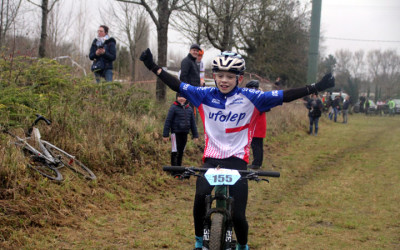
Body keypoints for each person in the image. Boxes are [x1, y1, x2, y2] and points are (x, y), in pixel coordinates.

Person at [139, 48, 335, 250]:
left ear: (239, 78)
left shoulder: (253, 97)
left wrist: (316, 87)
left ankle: (242, 246)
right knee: (199, 199)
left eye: (230, 77)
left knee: (238, 215)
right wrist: (153, 66)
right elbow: (177, 85)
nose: (224, 80)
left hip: (237, 161)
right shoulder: (203, 95)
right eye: (220, 75)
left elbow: (285, 96)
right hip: (211, 160)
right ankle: (200, 241)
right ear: (214, 76)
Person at [163, 93, 199, 166]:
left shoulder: (189, 109)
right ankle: (174, 170)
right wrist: (165, 134)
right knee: (175, 151)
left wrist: (195, 135)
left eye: (183, 96)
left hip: (185, 133)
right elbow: (168, 121)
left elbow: (193, 123)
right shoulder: (173, 108)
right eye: (179, 97)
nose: (181, 98)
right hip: (175, 133)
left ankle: (179, 169)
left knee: (181, 151)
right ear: (177, 98)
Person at [245, 80, 267, 169]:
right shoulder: (261, 96)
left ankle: (257, 163)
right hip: (258, 124)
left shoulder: (257, 97)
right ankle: (257, 162)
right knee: (257, 144)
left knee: (256, 145)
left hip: (257, 124)